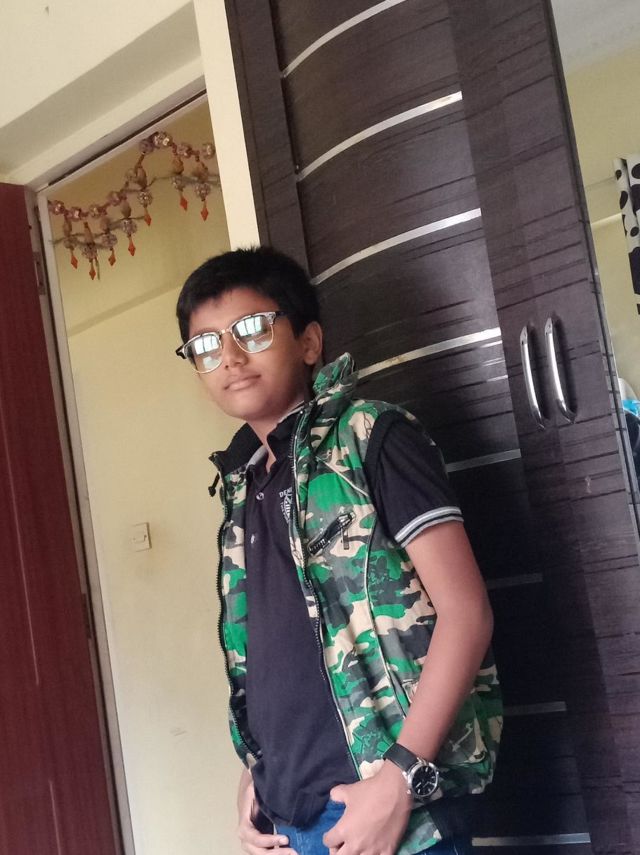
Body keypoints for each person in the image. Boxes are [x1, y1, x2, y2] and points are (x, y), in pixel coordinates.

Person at [175, 246, 502, 855]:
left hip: (392, 811)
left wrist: (400, 779)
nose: (231, 356)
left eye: (252, 328)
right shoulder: (242, 485)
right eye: (206, 344)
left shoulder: (371, 436)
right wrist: (256, 773)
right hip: (290, 818)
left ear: (309, 341)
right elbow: (274, 655)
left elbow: (467, 612)